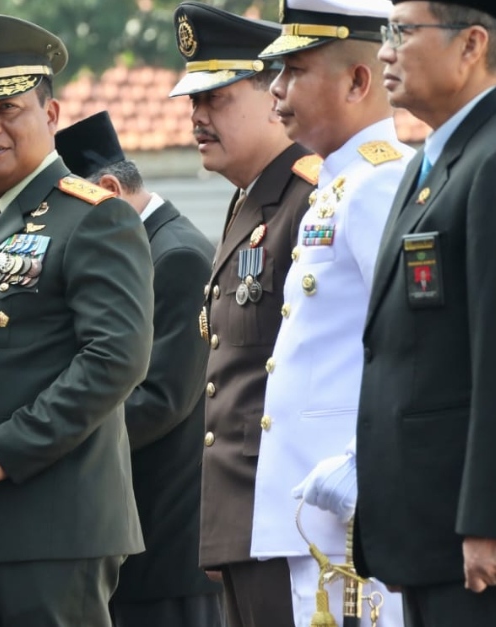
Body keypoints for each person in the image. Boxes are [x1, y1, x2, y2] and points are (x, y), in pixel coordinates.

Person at [0, 14, 154, 627]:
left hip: (53, 527)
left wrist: (5, 449)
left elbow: (116, 358)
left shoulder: (94, 218)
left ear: (51, 116)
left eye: (7, 108)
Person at [248, 2, 412, 625]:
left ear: (358, 81)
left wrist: (366, 459)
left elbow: (408, 341)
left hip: (354, 501)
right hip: (320, 503)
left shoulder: (375, 186)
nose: (277, 91)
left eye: (294, 71)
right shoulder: (338, 184)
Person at [168, 4, 319, 626]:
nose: (198, 116)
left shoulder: (309, 198)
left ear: (273, 95)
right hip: (245, 519)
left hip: (291, 520)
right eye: (192, 101)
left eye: (217, 97)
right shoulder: (249, 202)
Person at [353, 0, 496, 624]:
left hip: (467, 535)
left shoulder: (490, 162)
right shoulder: (428, 163)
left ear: (471, 46)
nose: (385, 51)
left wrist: (486, 519)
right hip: (425, 523)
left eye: (402, 33)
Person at [55, 111, 223, 627]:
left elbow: (159, 401)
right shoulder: (131, 254)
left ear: (107, 189)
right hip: (121, 537)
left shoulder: (176, 257)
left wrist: (49, 437)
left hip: (164, 544)